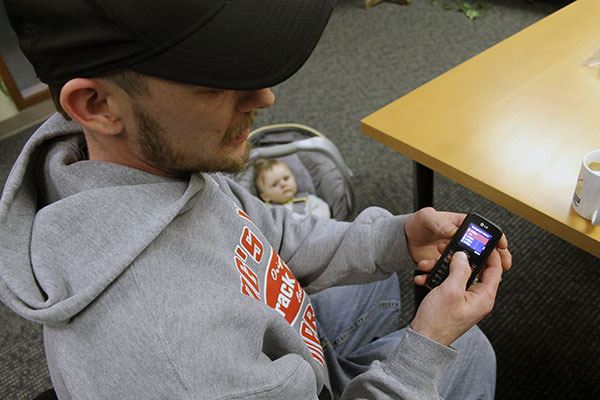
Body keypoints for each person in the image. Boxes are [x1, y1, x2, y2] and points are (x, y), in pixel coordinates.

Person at [0, 0, 512, 399]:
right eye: (214, 79)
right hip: (247, 371)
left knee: (370, 275)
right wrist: (425, 349)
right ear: (96, 104)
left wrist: (395, 237)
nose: (264, 97)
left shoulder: (146, 158)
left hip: (277, 353)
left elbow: (269, 230)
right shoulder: (182, 364)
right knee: (467, 350)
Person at [254, 158, 331, 219]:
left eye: (286, 178)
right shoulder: (267, 210)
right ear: (266, 196)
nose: (283, 184)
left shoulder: (308, 199)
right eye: (275, 184)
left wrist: (312, 223)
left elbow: (323, 209)